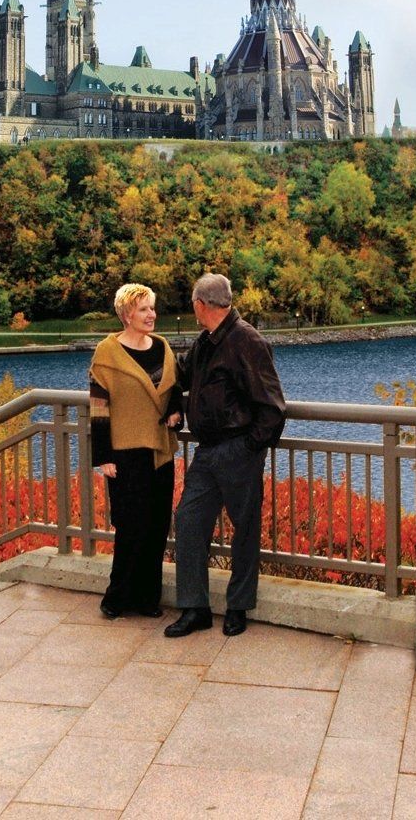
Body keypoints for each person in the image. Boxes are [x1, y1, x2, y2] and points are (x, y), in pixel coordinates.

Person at [165, 272, 286, 638]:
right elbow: (178, 377)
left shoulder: (247, 341)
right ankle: (195, 608)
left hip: (238, 452)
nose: (193, 311)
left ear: (202, 305)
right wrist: (173, 404)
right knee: (188, 522)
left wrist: (248, 447)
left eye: (193, 306)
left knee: (244, 528)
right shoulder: (205, 343)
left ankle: (238, 607)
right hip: (207, 453)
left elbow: (272, 408)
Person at [88, 283, 183, 620]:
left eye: (152, 308)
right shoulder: (107, 353)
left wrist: (177, 412)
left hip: (160, 451)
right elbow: (98, 408)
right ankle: (116, 598)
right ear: (127, 314)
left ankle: (147, 599)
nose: (151, 315)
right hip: (124, 453)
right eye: (144, 309)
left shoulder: (163, 347)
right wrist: (104, 457)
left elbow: (173, 391)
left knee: (157, 527)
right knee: (130, 527)